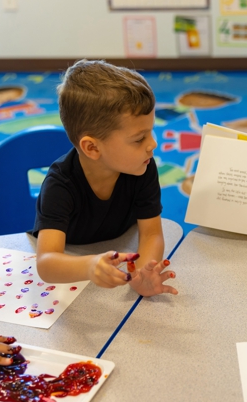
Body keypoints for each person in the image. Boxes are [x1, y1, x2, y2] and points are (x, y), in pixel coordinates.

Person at [31, 59, 177, 297]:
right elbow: (47, 262)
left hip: (119, 253)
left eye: (151, 131)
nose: (153, 144)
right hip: (74, 276)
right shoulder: (60, 184)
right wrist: (89, 265)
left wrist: (139, 275)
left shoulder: (141, 166)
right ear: (92, 148)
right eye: (139, 139)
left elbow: (151, 233)